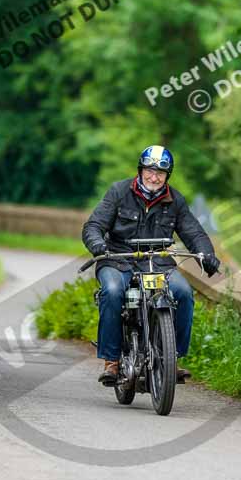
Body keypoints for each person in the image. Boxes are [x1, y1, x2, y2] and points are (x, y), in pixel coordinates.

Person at [82, 145, 220, 386]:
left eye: (160, 173)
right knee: (113, 292)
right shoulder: (118, 192)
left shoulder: (175, 200)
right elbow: (93, 226)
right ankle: (112, 361)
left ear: (168, 175)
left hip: (157, 264)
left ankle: (171, 359)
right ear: (141, 170)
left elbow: (194, 233)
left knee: (183, 293)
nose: (154, 177)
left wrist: (206, 254)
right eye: (149, 170)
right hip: (117, 260)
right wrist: (97, 245)